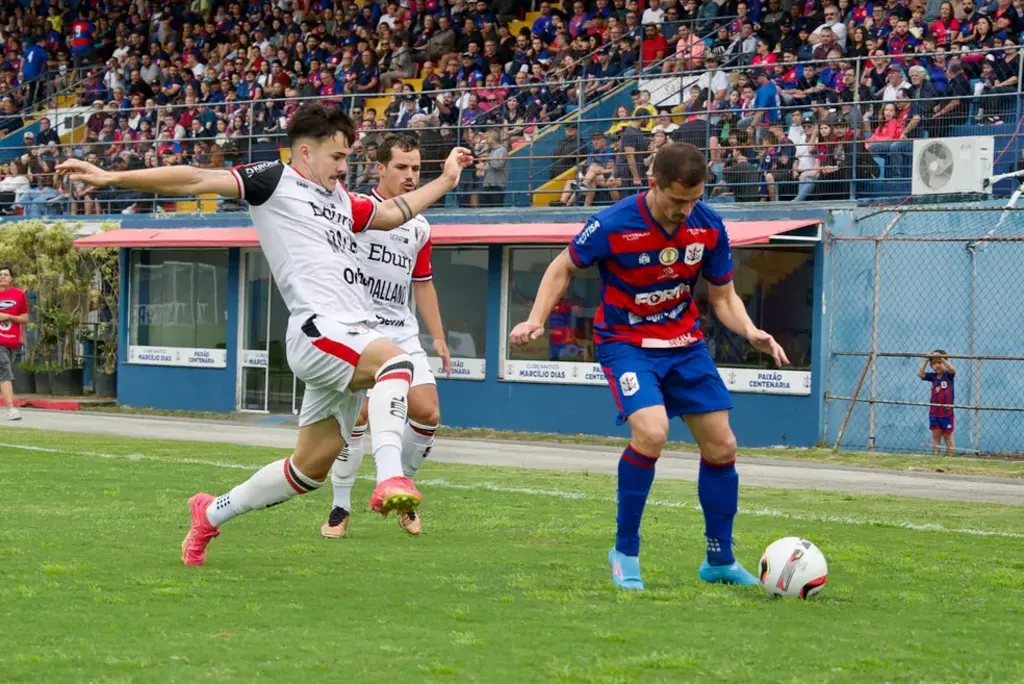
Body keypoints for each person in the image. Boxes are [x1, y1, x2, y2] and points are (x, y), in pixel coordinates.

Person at [57, 103, 472, 567]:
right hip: (318, 329)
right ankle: (392, 477)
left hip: (350, 338)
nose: (343, 167)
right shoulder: (274, 181)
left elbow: (395, 213)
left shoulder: (342, 202)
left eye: (347, 159)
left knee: (308, 471)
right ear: (305, 151)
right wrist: (114, 179)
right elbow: (194, 179)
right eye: (336, 157)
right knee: (396, 362)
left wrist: (448, 180)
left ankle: (210, 514)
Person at [509, 143, 789, 591]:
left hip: (685, 345)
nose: (686, 210)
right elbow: (562, 267)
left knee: (722, 446)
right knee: (653, 432)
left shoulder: (708, 225)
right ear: (653, 183)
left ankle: (719, 559)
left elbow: (722, 297)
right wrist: (536, 318)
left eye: (694, 199)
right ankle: (625, 550)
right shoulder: (613, 223)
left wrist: (750, 330)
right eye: (678, 200)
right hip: (627, 344)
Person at [322, 134, 451, 539]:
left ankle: (400, 490)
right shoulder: (359, 211)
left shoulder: (421, 226)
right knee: (357, 416)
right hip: (360, 331)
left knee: (428, 413)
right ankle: (340, 507)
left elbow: (423, 284)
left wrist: (439, 338)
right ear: (380, 167)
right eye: (401, 167)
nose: (411, 175)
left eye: (416, 168)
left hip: (403, 333)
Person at [0, 265, 29, 420]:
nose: (2, 277)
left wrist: (8, 317)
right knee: (5, 371)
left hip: (12, 341)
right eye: (0, 275)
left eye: (5, 275)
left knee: (3, 372)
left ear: (11, 278)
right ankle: (11, 409)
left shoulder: (18, 295)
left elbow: (25, 318)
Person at [917, 350, 956, 456]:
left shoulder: (948, 376)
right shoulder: (933, 377)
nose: (937, 365)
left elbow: (953, 369)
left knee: (947, 435)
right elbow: (920, 374)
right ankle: (936, 455)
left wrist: (942, 358)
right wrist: (925, 359)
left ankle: (951, 456)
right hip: (934, 412)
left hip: (946, 412)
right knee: (936, 435)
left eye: (939, 363)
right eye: (934, 363)